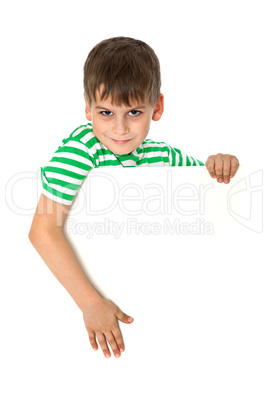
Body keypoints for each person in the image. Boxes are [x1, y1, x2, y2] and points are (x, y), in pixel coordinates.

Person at [29, 36, 239, 359]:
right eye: (106, 112)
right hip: (86, 311)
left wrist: (219, 164)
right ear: (87, 108)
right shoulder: (81, 148)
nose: (120, 128)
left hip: (152, 311)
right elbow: (42, 230)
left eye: (134, 112)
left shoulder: (160, 154)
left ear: (157, 108)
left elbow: (205, 187)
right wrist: (90, 303)